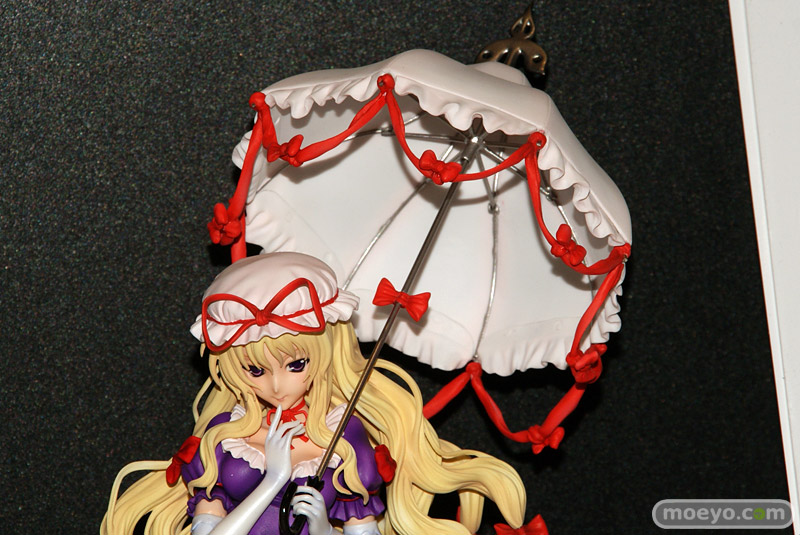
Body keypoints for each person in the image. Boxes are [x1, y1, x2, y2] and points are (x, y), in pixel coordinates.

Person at [102, 252, 526, 535]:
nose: (276, 386)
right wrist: (272, 481)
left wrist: (323, 528)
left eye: (296, 365)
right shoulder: (224, 435)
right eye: (255, 370)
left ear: (327, 351)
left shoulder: (344, 436)